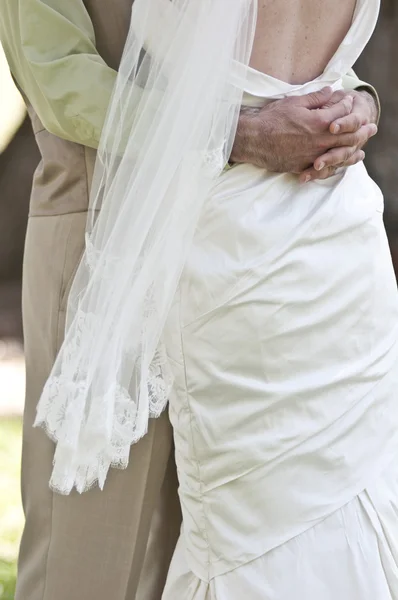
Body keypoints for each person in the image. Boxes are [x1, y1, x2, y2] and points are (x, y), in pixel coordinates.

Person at [0, 0, 384, 599]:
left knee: (216, 535)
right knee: (87, 556)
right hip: (98, 241)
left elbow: (283, 54)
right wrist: (239, 134)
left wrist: (356, 100)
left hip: (245, 258)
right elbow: (55, 75)